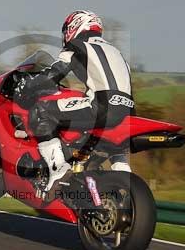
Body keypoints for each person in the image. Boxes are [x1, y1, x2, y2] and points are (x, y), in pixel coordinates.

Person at [26, 10, 135, 195]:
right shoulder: (117, 52)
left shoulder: (77, 45)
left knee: (40, 111)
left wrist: (31, 84)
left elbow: (56, 72)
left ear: (74, 26)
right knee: (116, 145)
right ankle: (125, 178)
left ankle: (57, 170)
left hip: (100, 106)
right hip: (127, 111)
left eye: (66, 30)